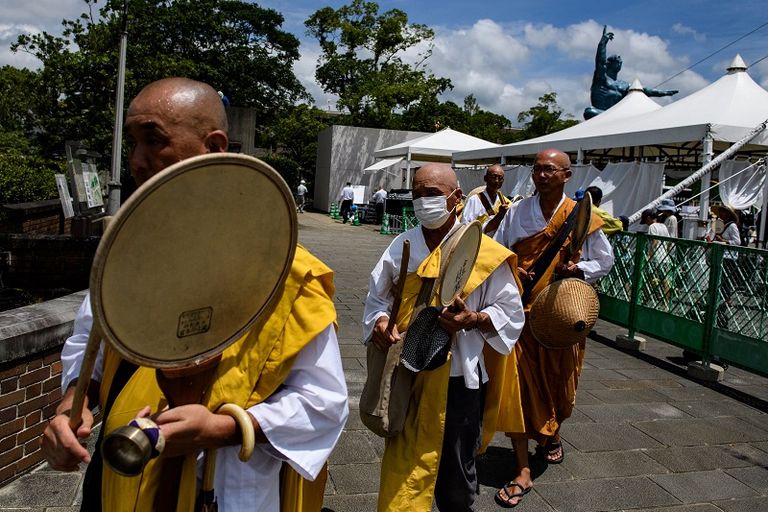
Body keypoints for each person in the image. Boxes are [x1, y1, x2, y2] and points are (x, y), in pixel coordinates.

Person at [41, 78, 349, 512]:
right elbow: (90, 346)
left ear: (214, 146)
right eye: (132, 143)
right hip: (117, 481)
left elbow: (323, 404)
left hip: (226, 491)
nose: (136, 161)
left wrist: (224, 428)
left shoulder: (286, 271)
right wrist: (72, 405)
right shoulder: (129, 254)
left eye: (154, 140)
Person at [363, 163, 525, 511]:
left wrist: (474, 318)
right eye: (417, 194)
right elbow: (377, 298)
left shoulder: (483, 252)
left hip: (458, 380)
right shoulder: (402, 245)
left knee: (456, 479)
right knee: (404, 468)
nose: (424, 201)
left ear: (457, 198)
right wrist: (380, 320)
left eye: (433, 194)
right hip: (407, 372)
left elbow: (511, 311)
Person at [492, 148, 614, 507]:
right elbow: (496, 252)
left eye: (549, 169)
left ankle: (552, 432)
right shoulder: (517, 212)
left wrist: (579, 269)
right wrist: (512, 267)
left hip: (560, 319)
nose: (541, 175)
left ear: (566, 175)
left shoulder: (582, 215)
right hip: (521, 316)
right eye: (537, 169)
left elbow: (603, 260)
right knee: (516, 390)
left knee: (559, 387)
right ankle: (522, 468)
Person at [584, 26, 678, 119]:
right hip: (600, 113)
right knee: (589, 111)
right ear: (609, 64)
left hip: (617, 116)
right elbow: (600, 62)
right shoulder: (601, 78)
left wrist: (663, 92)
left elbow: (644, 90)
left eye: (620, 61)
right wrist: (602, 43)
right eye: (616, 59)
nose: (619, 61)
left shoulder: (623, 84)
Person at [460, 164, 511, 236]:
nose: (497, 181)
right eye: (493, 177)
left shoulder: (506, 202)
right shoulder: (474, 200)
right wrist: (499, 215)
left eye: (500, 178)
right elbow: (465, 226)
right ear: (485, 178)